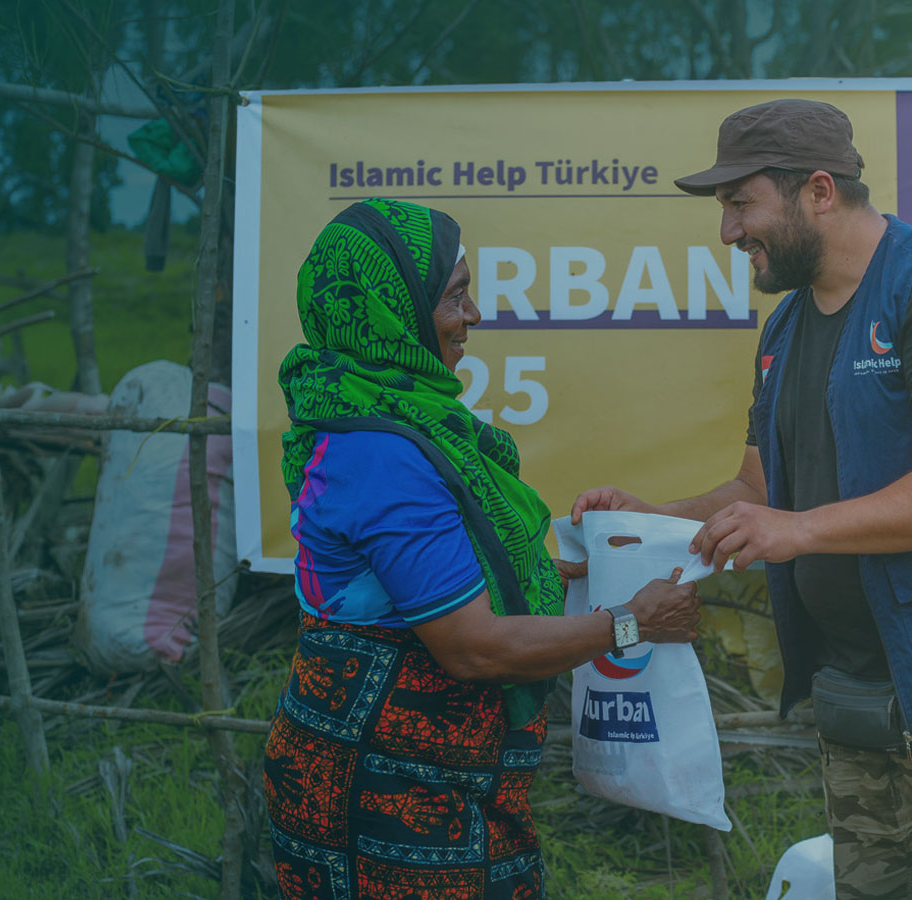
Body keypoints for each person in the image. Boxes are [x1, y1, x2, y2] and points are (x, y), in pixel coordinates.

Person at [571, 100, 912, 900]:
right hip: (856, 689)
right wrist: (646, 518)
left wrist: (799, 530)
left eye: (741, 204)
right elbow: (759, 492)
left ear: (819, 192)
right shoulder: (784, 331)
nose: (728, 231)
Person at [265, 198, 701, 900]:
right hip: (386, 790)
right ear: (394, 309)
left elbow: (426, 582)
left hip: (432, 775)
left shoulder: (385, 415)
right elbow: (471, 647)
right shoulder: (382, 455)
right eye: (454, 295)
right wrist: (631, 624)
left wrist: (554, 572)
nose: (472, 315)